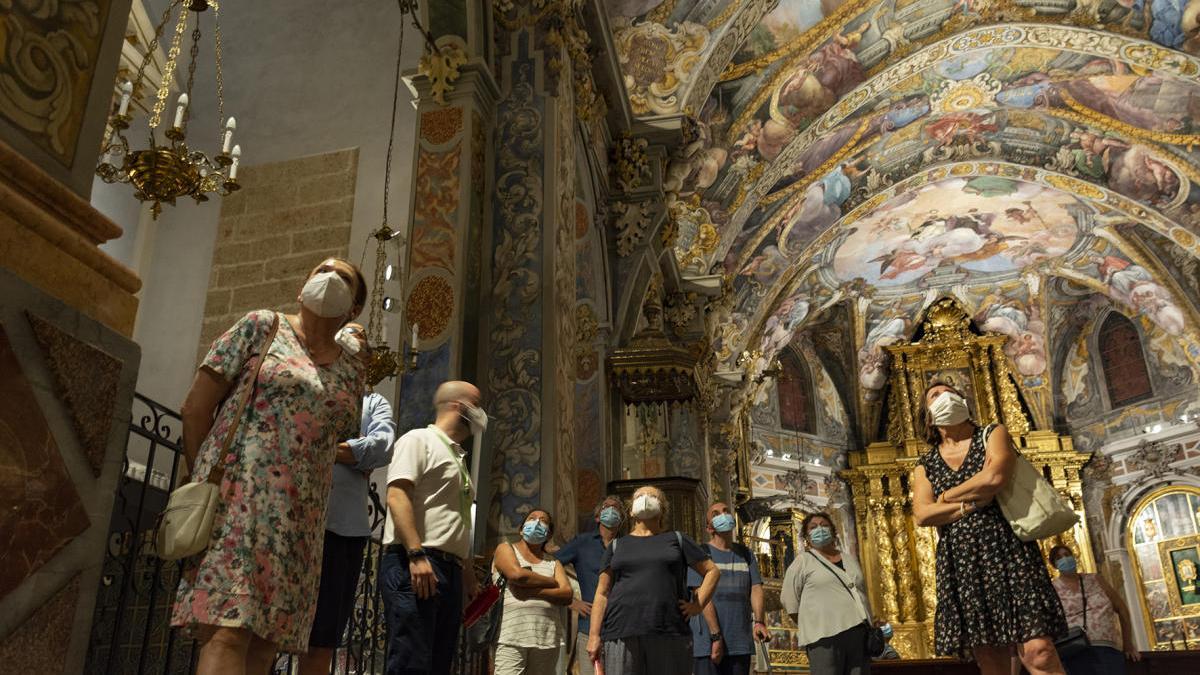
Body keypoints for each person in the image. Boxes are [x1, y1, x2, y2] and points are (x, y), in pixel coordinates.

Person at [172, 258, 367, 675]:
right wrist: (211, 477)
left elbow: (337, 432)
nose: (329, 278)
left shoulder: (352, 368)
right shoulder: (262, 326)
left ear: (354, 308)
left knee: (266, 643)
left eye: (344, 278)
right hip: (239, 503)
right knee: (227, 630)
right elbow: (196, 408)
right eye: (321, 270)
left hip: (302, 521)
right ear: (302, 288)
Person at [912, 381, 1067, 675]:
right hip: (963, 561)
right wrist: (970, 504)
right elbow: (922, 514)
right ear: (928, 415)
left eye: (952, 393)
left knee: (1040, 652)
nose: (946, 397)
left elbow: (995, 478)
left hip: (1008, 550)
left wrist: (944, 497)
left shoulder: (992, 434)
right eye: (935, 395)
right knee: (993, 663)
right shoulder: (926, 464)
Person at [298, 323, 398, 675]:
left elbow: (382, 446)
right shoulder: (307, 386)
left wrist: (324, 448)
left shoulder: (373, 403)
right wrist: (353, 455)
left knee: (323, 633)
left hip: (344, 528)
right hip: (296, 518)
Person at [380, 381, 486, 675]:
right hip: (416, 561)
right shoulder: (418, 440)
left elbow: (457, 520)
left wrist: (467, 577)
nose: (481, 412)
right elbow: (397, 495)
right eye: (476, 404)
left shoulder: (458, 457)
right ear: (458, 406)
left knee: (438, 665)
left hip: (447, 569)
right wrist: (415, 554)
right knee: (410, 662)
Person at [586, 485, 721, 675]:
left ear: (662, 508)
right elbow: (602, 593)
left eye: (652, 496)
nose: (646, 498)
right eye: (640, 496)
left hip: (669, 630)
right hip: (621, 630)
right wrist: (594, 635)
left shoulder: (677, 539)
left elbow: (712, 571)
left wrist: (697, 606)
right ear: (631, 510)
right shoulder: (617, 545)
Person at [780, 513, 875, 675]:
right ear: (807, 536)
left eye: (824, 525)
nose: (820, 529)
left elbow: (860, 591)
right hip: (824, 636)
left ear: (832, 530)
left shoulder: (848, 559)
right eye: (813, 527)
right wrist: (811, 623)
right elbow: (789, 599)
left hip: (858, 633)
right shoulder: (803, 561)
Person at [688, 502, 769, 675]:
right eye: (716, 514)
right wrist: (716, 636)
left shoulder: (746, 554)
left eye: (726, 511)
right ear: (709, 528)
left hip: (739, 641)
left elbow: (755, 588)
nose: (723, 515)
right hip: (708, 643)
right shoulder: (700, 553)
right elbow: (701, 596)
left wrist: (760, 621)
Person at [492, 508, 573, 674]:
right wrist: (552, 582)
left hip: (546, 637)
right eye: (532, 518)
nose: (537, 522)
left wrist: (531, 593)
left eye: (543, 521)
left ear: (548, 535)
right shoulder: (506, 549)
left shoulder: (553, 562)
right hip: (511, 636)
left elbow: (567, 594)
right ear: (521, 529)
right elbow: (518, 575)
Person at [555, 495, 626, 675]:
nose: (611, 510)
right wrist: (570, 601)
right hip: (589, 628)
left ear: (622, 518)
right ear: (597, 517)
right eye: (606, 507)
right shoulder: (582, 542)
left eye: (616, 508)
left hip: (623, 627)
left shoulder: (627, 545)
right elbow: (551, 566)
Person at [1049, 545, 1141, 675]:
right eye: (1059, 558)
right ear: (1054, 565)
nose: (1065, 559)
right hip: (1075, 652)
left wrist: (1128, 644)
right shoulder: (1052, 589)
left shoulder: (1095, 579)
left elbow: (1122, 609)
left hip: (1107, 649)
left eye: (1067, 555)